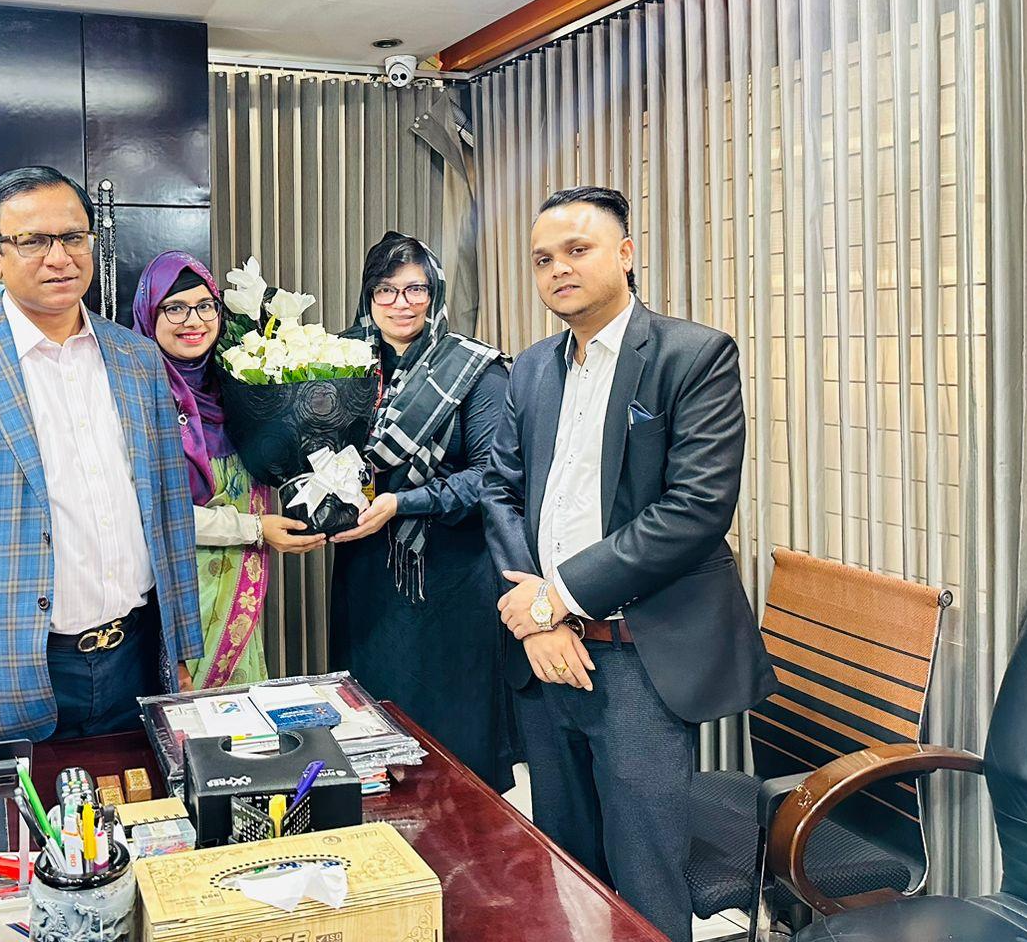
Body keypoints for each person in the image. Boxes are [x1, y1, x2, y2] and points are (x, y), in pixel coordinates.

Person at [482, 186, 776, 942]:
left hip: (639, 657)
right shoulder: (531, 370)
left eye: (576, 250)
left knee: (646, 885)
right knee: (565, 868)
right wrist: (538, 620)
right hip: (545, 657)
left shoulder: (693, 356)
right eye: (542, 259)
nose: (558, 269)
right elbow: (500, 491)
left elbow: (695, 511)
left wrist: (558, 598)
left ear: (625, 253)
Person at [0, 166, 204, 755]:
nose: (59, 258)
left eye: (73, 237)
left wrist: (181, 649)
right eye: (32, 241)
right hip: (3, 671)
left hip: (135, 660)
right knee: (8, 817)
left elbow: (169, 513)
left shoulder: (137, 359)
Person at [329, 231, 515, 791]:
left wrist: (402, 502)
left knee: (453, 730)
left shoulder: (474, 369)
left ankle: (465, 826)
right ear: (368, 296)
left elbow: (490, 478)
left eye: (415, 289)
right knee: (374, 724)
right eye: (385, 290)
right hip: (368, 574)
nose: (401, 303)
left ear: (435, 293)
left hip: (450, 577)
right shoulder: (342, 361)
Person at [131, 251, 326, 688]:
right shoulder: (136, 398)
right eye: (174, 308)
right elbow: (149, 514)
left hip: (238, 586)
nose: (193, 321)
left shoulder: (238, 385)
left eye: (205, 306)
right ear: (149, 313)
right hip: (176, 594)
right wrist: (256, 529)